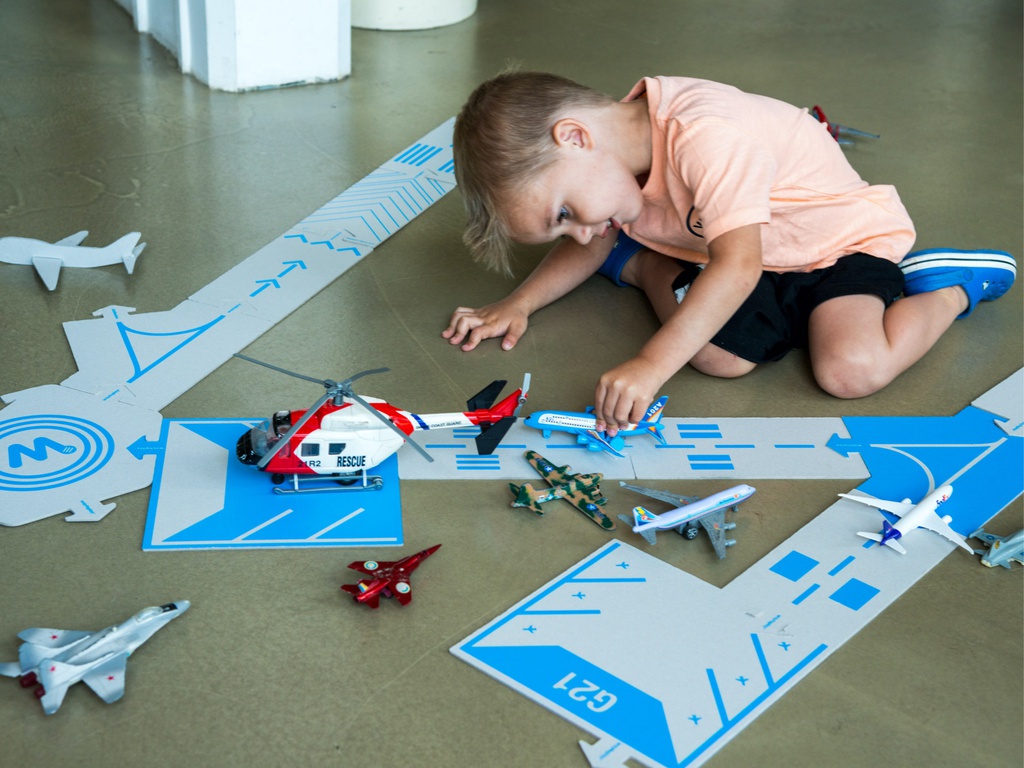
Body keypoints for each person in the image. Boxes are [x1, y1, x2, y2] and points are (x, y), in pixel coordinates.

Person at [441, 70, 1016, 435]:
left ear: (574, 137)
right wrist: (518, 303)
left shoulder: (706, 136)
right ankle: (645, 263)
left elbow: (736, 267)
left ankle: (949, 285)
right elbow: (614, 233)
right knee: (720, 358)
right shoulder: (609, 163)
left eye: (564, 215)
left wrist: (649, 366)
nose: (582, 235)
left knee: (851, 370)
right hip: (740, 253)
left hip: (832, 246)